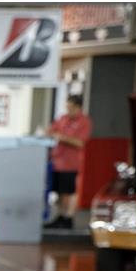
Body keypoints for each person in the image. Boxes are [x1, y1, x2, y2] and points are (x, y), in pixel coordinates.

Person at [47, 95, 92, 229]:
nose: (68, 110)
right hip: (57, 161)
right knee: (60, 191)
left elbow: (80, 142)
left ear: (78, 107)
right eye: (67, 107)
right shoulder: (63, 119)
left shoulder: (84, 122)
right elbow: (51, 130)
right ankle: (60, 216)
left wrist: (62, 137)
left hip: (71, 163)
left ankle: (69, 217)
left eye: (71, 107)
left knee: (69, 191)